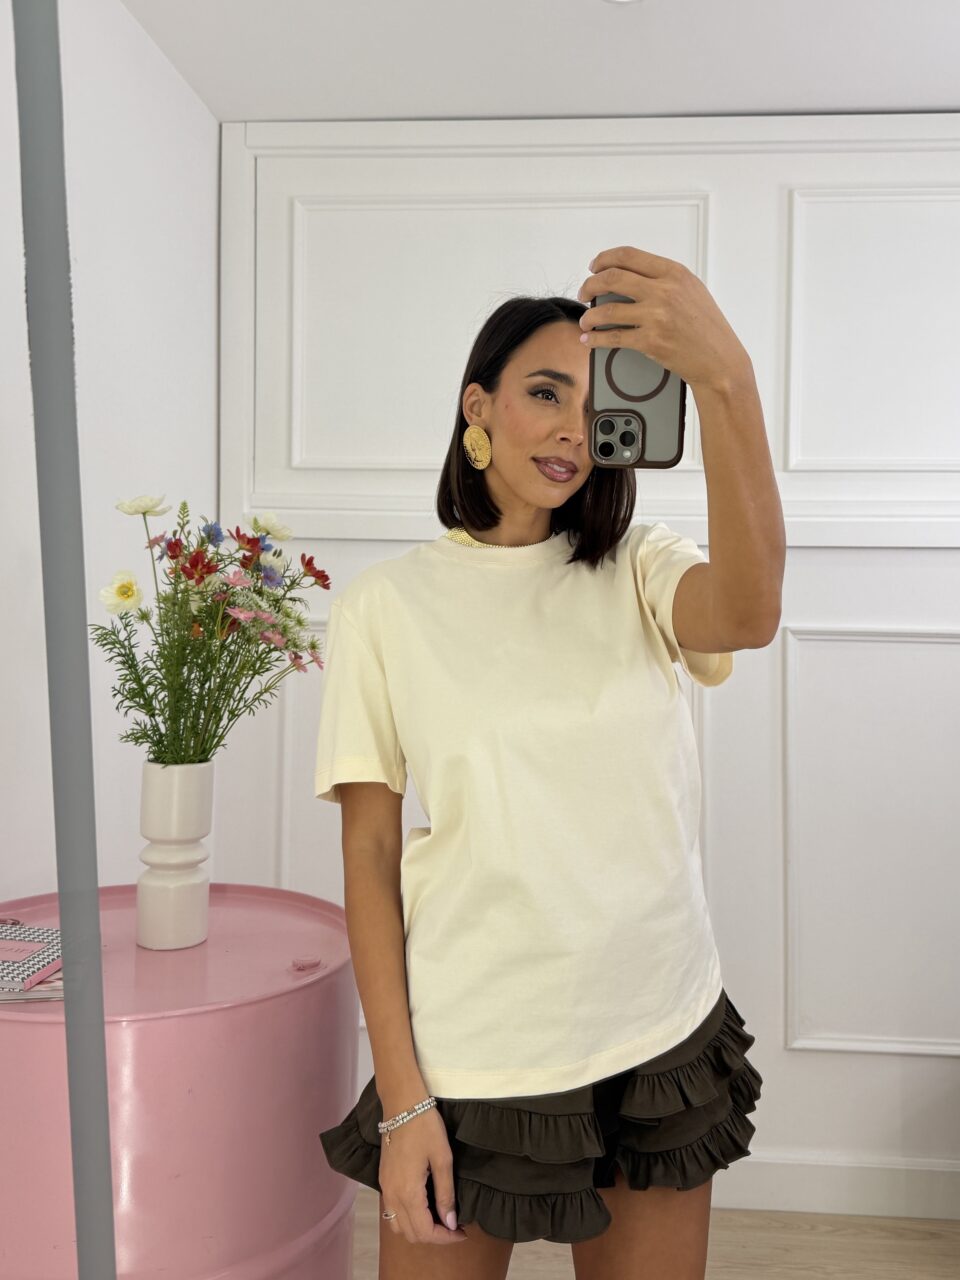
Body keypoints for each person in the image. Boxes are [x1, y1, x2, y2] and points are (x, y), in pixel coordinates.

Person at [314, 279, 767, 1279]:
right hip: (474, 1054)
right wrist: (403, 1100)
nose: (572, 429)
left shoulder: (640, 565)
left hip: (655, 1032)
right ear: (478, 404)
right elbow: (371, 857)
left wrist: (726, 382)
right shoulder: (385, 607)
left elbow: (748, 612)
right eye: (546, 392)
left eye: (596, 408)